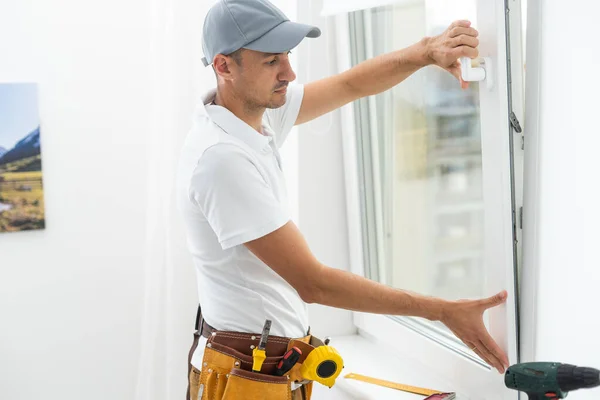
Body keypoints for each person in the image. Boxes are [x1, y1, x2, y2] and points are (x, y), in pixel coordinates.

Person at [177, 0, 510, 399]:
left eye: (287, 56)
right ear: (224, 66)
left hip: (271, 368)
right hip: (244, 380)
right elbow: (314, 283)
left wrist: (426, 52)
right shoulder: (222, 159)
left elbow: (351, 84)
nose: (289, 73)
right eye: (271, 62)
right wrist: (442, 311)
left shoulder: (252, 116)